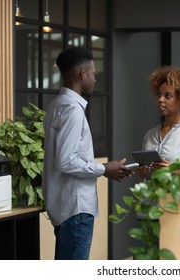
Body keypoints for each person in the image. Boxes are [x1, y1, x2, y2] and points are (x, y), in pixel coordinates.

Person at [42, 47, 133, 260]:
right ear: (82, 74)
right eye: (92, 73)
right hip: (76, 210)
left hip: (65, 208)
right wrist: (104, 168)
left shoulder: (56, 105)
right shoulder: (72, 110)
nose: (95, 79)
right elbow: (66, 161)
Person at [136, 65, 180, 180]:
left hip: (178, 198)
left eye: (167, 96)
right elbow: (144, 179)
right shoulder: (150, 135)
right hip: (150, 197)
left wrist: (174, 171)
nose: (160, 99)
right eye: (159, 94)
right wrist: (142, 172)